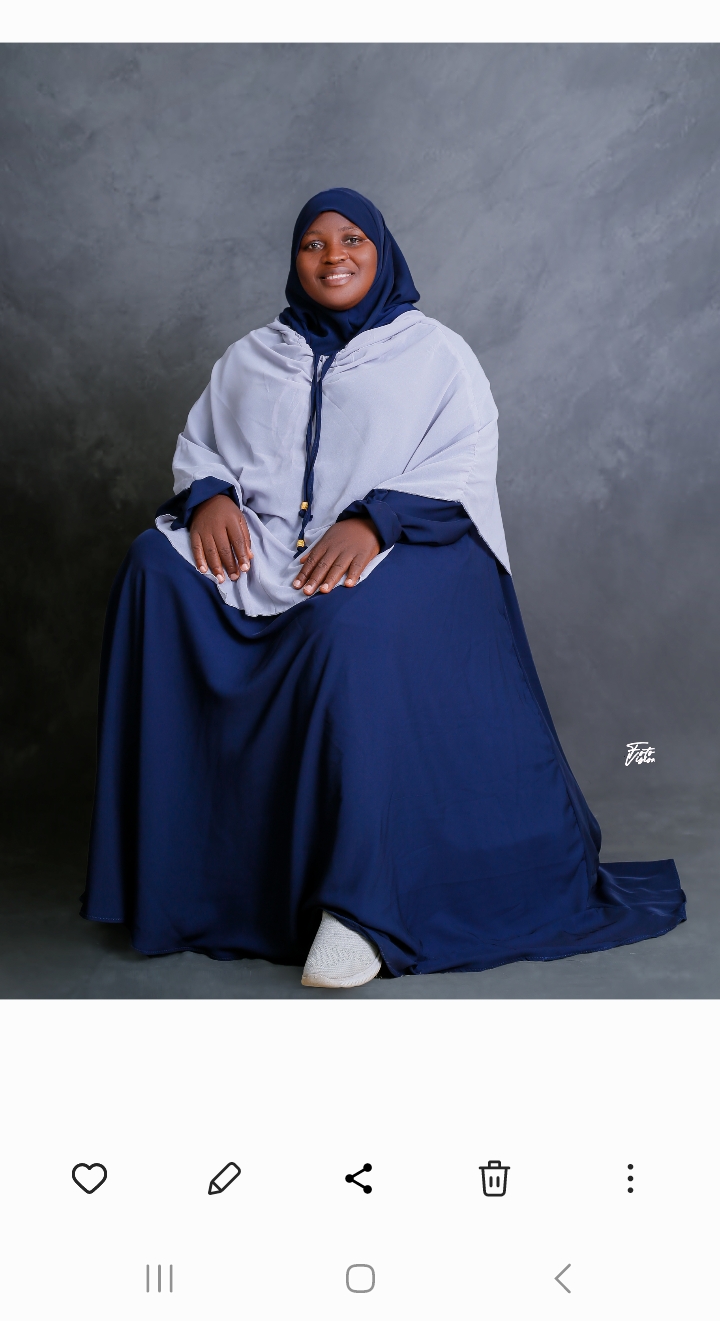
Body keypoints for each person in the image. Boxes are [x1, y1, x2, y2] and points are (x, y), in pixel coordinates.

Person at [81, 187, 686, 986]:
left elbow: (464, 461)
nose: (333, 256)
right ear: (294, 261)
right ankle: (178, 874)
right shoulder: (252, 357)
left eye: (352, 240)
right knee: (152, 567)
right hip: (269, 548)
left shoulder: (435, 354)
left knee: (347, 625)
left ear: (382, 252)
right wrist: (210, 497)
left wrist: (376, 520)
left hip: (402, 544)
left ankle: (363, 907)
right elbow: (204, 446)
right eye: (313, 244)